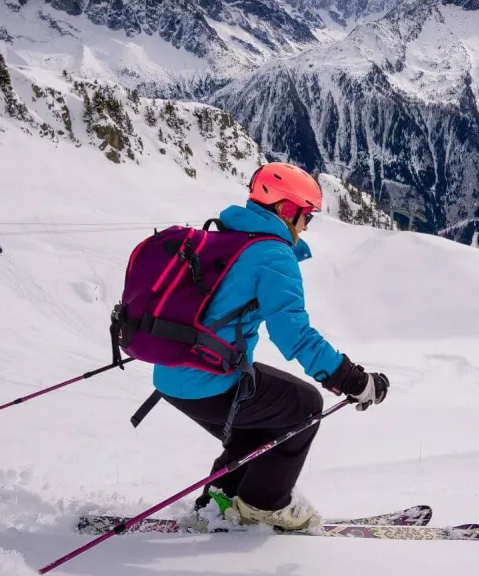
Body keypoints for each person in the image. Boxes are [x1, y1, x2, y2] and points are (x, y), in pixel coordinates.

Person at [153, 161, 390, 531]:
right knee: (304, 406)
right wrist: (353, 380)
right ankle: (263, 505)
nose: (307, 226)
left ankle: (220, 498)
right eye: (306, 215)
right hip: (205, 380)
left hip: (173, 375)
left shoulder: (228, 233)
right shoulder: (273, 255)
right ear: (286, 209)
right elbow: (294, 335)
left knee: (263, 420)